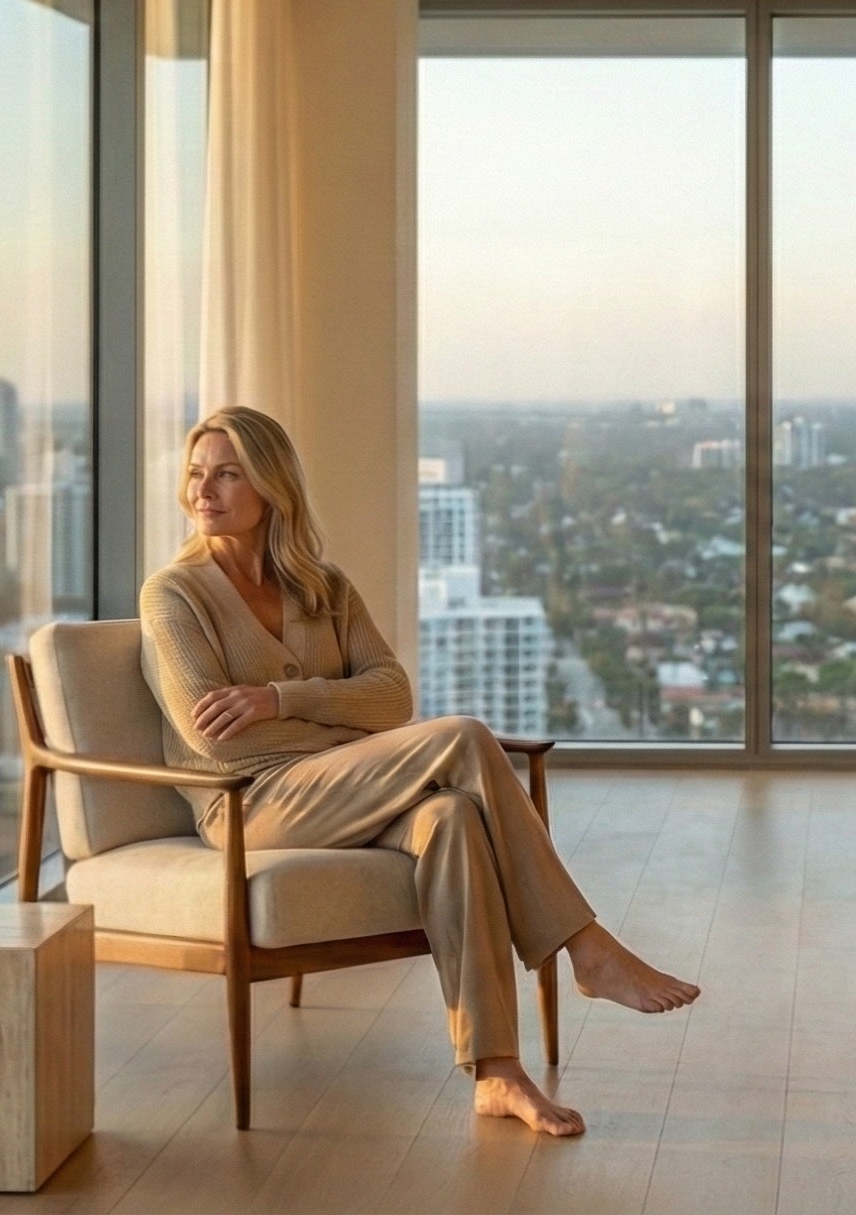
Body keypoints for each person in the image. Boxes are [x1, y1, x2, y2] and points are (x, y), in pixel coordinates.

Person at [137, 405, 696, 1136]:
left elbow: (392, 697)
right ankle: (583, 944)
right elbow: (215, 738)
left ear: (272, 486)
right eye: (195, 474)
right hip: (250, 803)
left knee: (454, 818)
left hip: (348, 782)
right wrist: (339, 716)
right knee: (463, 736)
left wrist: (280, 697)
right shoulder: (173, 594)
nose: (202, 491)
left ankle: (497, 1073)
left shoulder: (324, 588)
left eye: (227, 474)